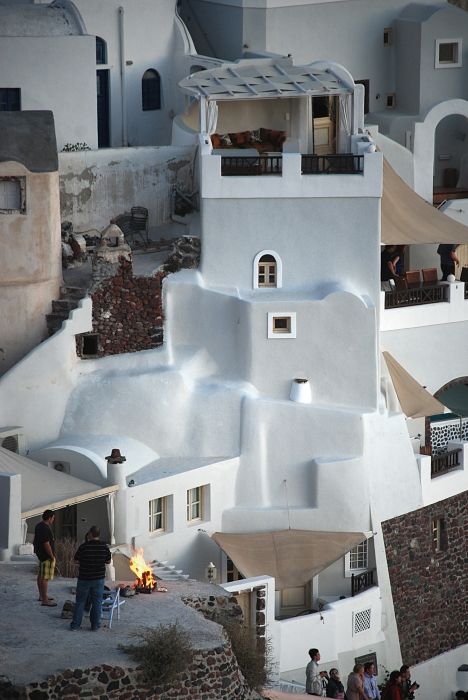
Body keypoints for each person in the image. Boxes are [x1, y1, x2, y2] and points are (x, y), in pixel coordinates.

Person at [70, 525, 111, 631]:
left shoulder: (84, 546)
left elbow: (75, 560)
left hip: (84, 578)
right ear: (98, 534)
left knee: (80, 602)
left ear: (91, 534)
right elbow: (108, 561)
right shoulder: (104, 546)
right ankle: (95, 626)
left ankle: (75, 625)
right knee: (97, 602)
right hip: (99, 579)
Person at [33, 509, 57, 607]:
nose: (53, 520)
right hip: (46, 555)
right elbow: (46, 543)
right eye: (53, 518)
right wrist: (52, 556)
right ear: (50, 518)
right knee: (45, 578)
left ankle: (42, 596)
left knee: (40, 576)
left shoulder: (39, 525)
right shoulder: (45, 528)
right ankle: (45, 600)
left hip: (40, 554)